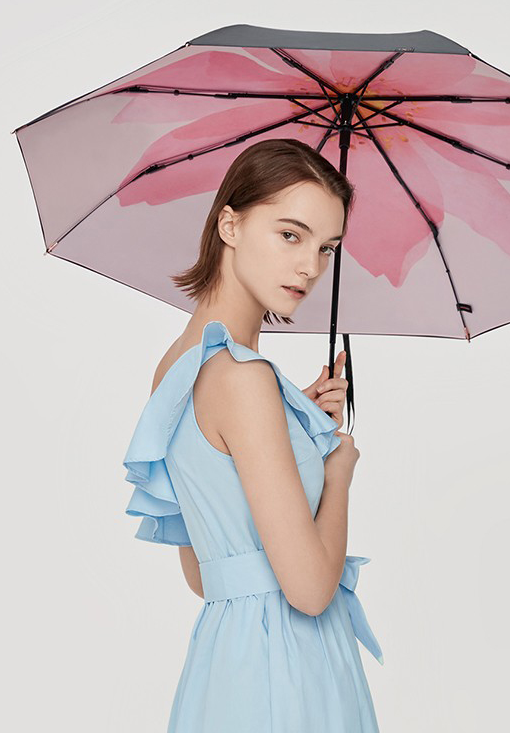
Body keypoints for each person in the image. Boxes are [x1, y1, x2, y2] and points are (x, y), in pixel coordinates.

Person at [122, 138, 383, 732]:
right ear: (230, 225)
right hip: (288, 667)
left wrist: (295, 426)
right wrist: (337, 473)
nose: (311, 267)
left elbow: (206, 575)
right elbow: (311, 592)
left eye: (327, 247)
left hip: (227, 663)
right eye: (291, 235)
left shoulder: (177, 366)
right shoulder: (246, 380)